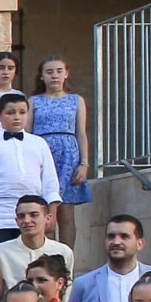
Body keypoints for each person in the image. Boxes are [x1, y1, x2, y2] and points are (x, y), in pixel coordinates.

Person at [0, 92, 61, 245]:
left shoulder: (39, 143)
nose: (17, 117)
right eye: (10, 113)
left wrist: (52, 212)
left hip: (32, 215)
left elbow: (50, 181)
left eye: (22, 112)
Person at [30, 54, 93, 241]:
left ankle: (67, 261)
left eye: (59, 71)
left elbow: (81, 132)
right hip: (43, 153)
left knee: (66, 210)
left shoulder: (76, 100)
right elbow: (28, 132)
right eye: (49, 72)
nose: (54, 76)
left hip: (69, 156)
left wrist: (84, 163)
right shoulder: (34, 101)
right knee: (44, 207)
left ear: (66, 74)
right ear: (42, 76)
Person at [0, 195, 73, 293]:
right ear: (16, 221)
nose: (26, 221)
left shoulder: (63, 251)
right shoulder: (0, 252)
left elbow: (66, 292)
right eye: (21, 216)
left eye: (34, 215)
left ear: (48, 218)